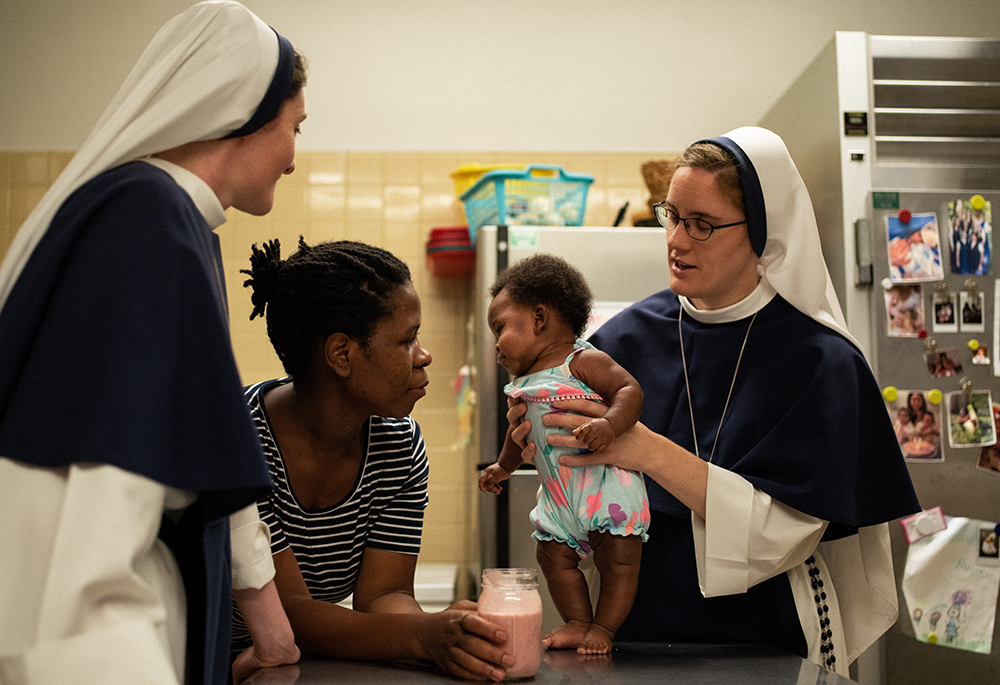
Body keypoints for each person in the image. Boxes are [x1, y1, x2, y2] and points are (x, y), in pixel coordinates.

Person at [506, 127, 921, 673]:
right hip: (628, 629)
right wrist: (543, 440)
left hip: (766, 635)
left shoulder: (821, 361)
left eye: (702, 224)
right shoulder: (624, 338)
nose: (677, 240)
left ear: (765, 232)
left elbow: (784, 534)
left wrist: (646, 450)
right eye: (672, 216)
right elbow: (583, 492)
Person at [0, 3, 306, 683]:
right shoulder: (145, 217)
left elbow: (202, 447)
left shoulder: (181, 222)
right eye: (295, 127)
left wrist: (268, 620)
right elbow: (96, 521)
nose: (294, 155)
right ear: (245, 112)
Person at [235, 238, 513, 681]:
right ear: (341, 354)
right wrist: (421, 634)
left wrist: (447, 636)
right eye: (407, 339)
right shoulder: (241, 440)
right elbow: (290, 610)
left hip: (307, 665)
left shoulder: (398, 445)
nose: (424, 355)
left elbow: (385, 592)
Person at [478, 253, 648, 655]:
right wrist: (503, 466)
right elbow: (518, 433)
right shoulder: (521, 385)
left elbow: (629, 391)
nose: (497, 346)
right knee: (551, 557)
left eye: (499, 328)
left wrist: (609, 425)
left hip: (607, 487)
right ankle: (576, 620)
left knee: (619, 561)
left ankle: (603, 628)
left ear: (538, 318)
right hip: (558, 495)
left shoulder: (582, 361)